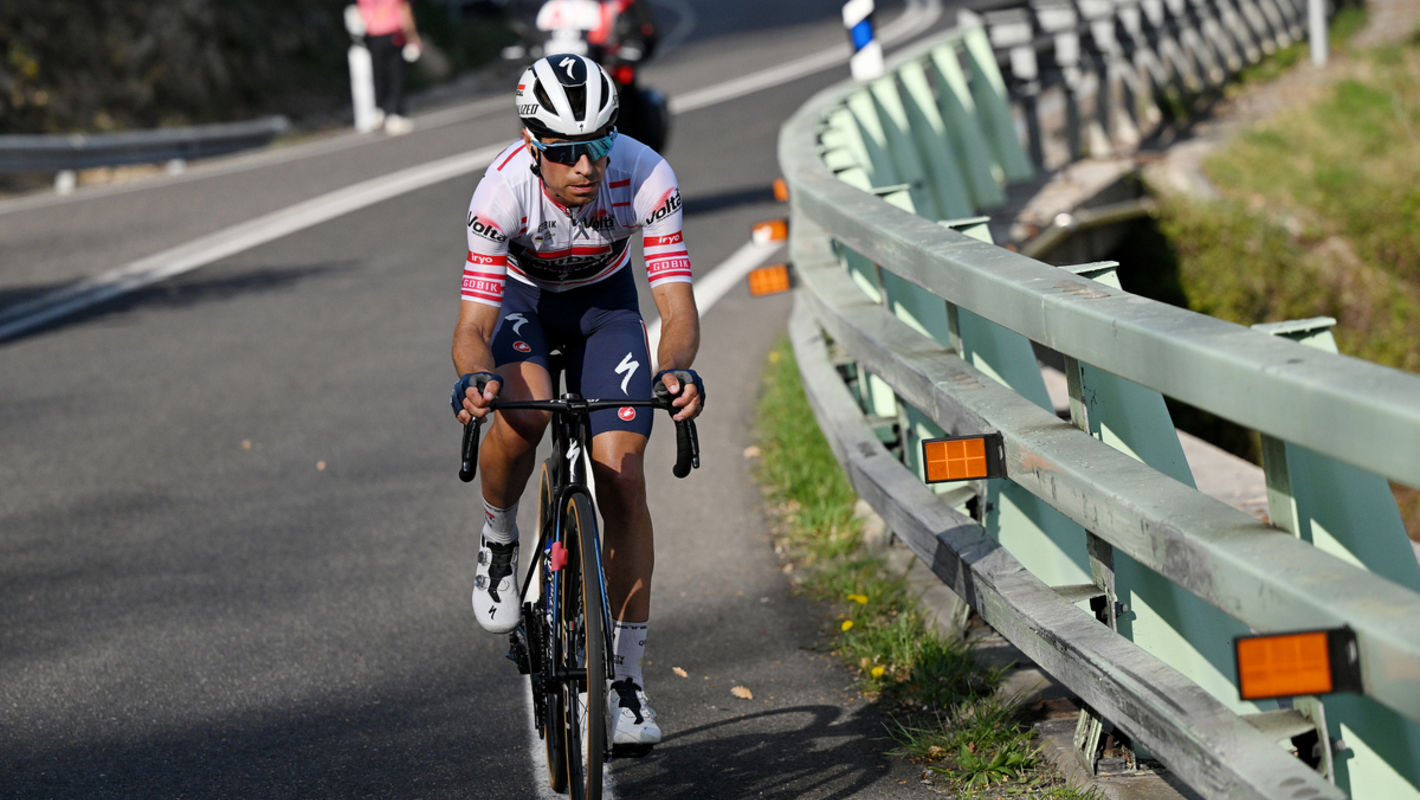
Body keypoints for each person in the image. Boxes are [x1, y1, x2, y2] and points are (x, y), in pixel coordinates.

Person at [450, 53, 704, 749]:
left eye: (598, 144)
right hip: (525, 307)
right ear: (533, 145)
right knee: (523, 416)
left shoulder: (647, 175)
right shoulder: (500, 193)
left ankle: (626, 682)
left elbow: (676, 308)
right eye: (565, 152)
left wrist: (675, 370)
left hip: (606, 310)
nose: (585, 166)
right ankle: (500, 538)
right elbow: (473, 328)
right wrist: (477, 380)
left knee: (622, 474)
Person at [356, 0, 420, 134]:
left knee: (378, 76)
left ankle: (379, 110)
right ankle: (396, 114)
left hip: (374, 37)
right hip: (393, 34)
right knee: (397, 76)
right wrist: (412, 35)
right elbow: (404, 11)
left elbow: (360, 14)